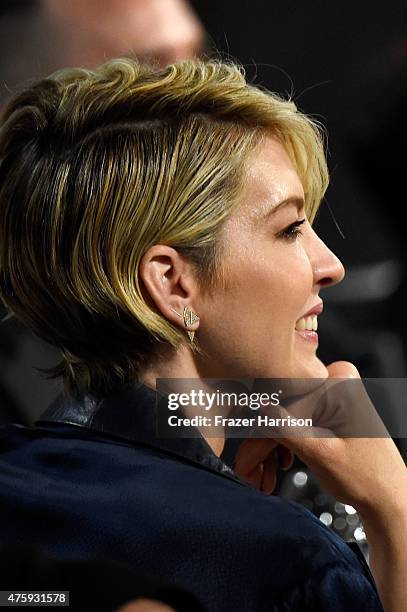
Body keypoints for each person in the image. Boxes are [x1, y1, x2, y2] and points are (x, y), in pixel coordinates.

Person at [0, 57, 405, 611]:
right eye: (289, 229)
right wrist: (394, 506)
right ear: (172, 284)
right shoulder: (288, 562)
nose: (331, 264)